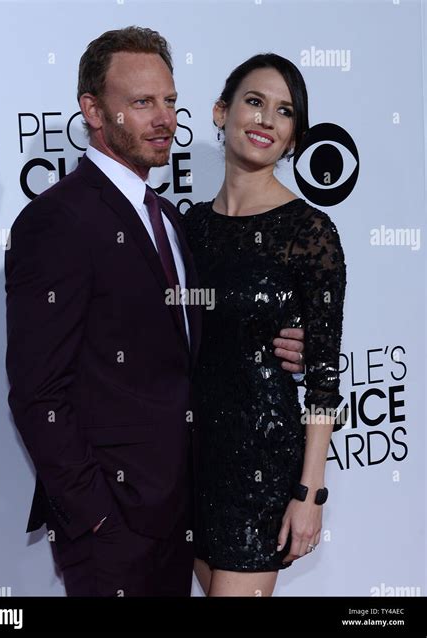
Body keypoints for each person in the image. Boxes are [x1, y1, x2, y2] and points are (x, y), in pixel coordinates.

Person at [4, 29, 305, 597]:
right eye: (142, 103)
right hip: (113, 525)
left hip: (181, 513)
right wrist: (96, 516)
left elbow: (183, 328)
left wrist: (279, 338)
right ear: (93, 111)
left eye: (169, 101)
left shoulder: (168, 216)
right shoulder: (57, 222)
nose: (164, 118)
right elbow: (36, 391)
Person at [181, 53, 346, 597]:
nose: (266, 120)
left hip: (262, 465)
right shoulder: (189, 228)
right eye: (254, 102)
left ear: (294, 138)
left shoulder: (310, 231)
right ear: (219, 112)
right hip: (188, 460)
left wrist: (310, 491)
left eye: (284, 112)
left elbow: (323, 375)